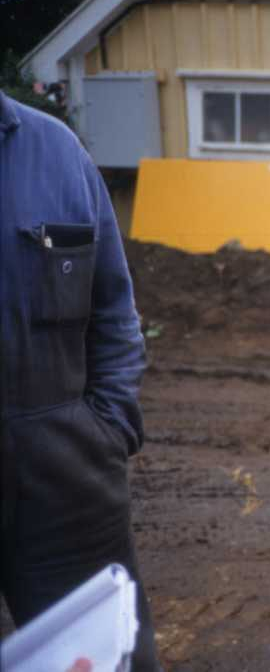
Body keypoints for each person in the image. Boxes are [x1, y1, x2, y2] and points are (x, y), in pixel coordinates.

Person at [0, 91, 160, 669]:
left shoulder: (55, 151)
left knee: (107, 657)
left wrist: (107, 429)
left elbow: (114, 309)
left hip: (66, 473)